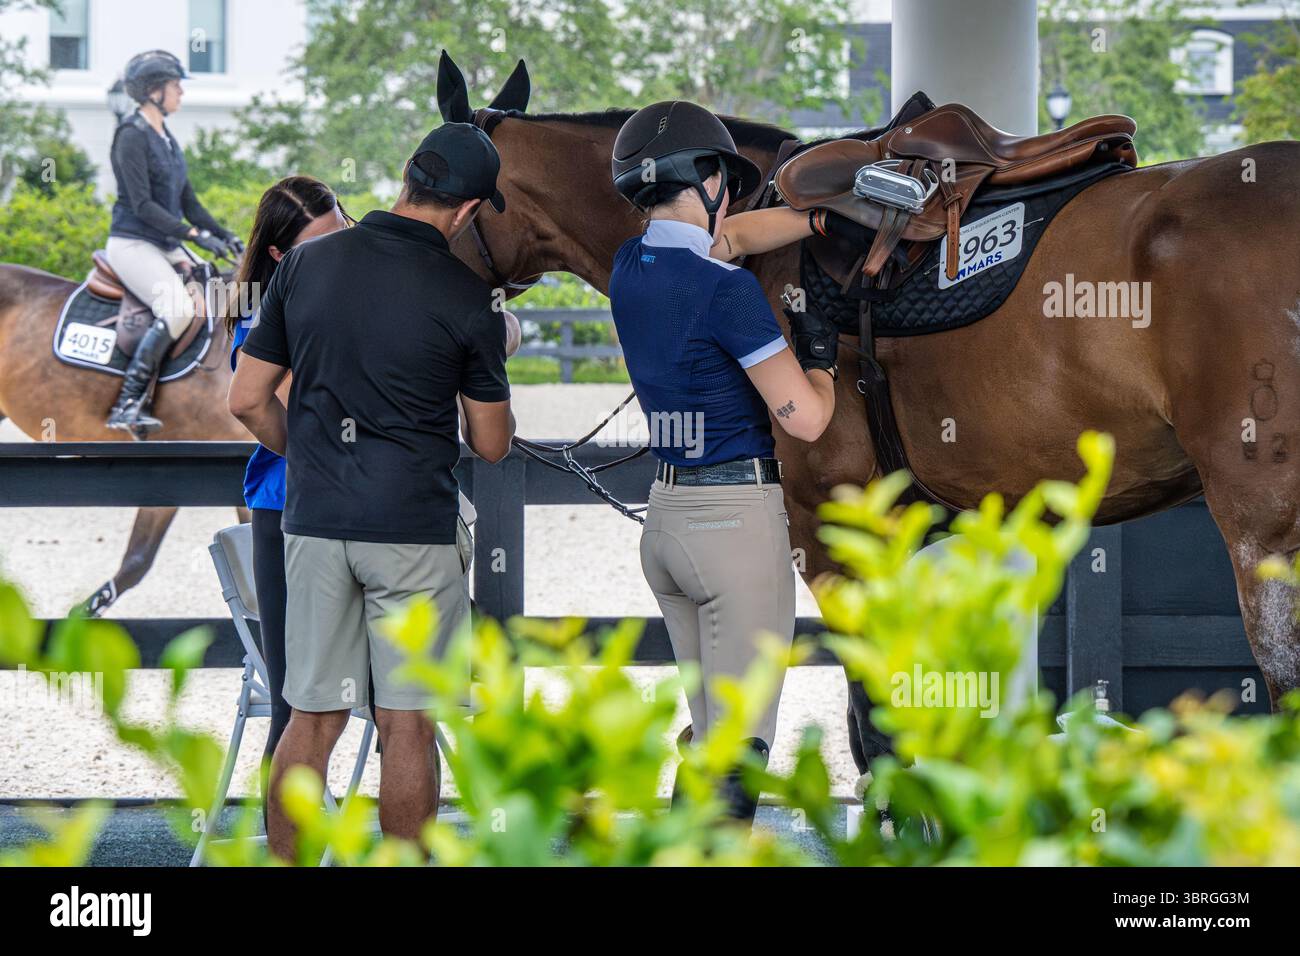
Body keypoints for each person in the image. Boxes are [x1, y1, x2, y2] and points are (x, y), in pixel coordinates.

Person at [228, 122, 515, 860]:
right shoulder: (467, 294)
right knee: (407, 723)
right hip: (413, 532)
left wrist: (315, 454)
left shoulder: (305, 266)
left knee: (310, 718)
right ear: (468, 210)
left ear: (407, 180)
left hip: (316, 525)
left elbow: (247, 398)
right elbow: (490, 443)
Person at [609, 101, 841, 823]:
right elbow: (804, 420)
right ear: (709, 179)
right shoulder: (728, 292)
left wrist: (817, 222)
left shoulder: (629, 264)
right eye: (727, 185)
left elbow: (732, 236)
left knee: (709, 735)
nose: (732, 203)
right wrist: (820, 356)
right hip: (735, 526)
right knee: (740, 748)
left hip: (668, 523)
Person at [225, 176, 350, 812]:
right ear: (279, 255)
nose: (340, 249)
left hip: (347, 509)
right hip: (287, 507)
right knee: (291, 702)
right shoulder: (260, 314)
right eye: (321, 242)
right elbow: (266, 399)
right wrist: (312, 455)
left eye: (343, 231)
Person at [105, 50, 242, 435]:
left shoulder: (166, 138)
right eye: (174, 85)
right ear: (153, 91)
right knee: (179, 307)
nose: (180, 92)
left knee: (219, 291)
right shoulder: (130, 136)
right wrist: (196, 236)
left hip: (163, 243)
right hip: (133, 242)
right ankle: (128, 402)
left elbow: (189, 204)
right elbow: (142, 205)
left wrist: (224, 235)